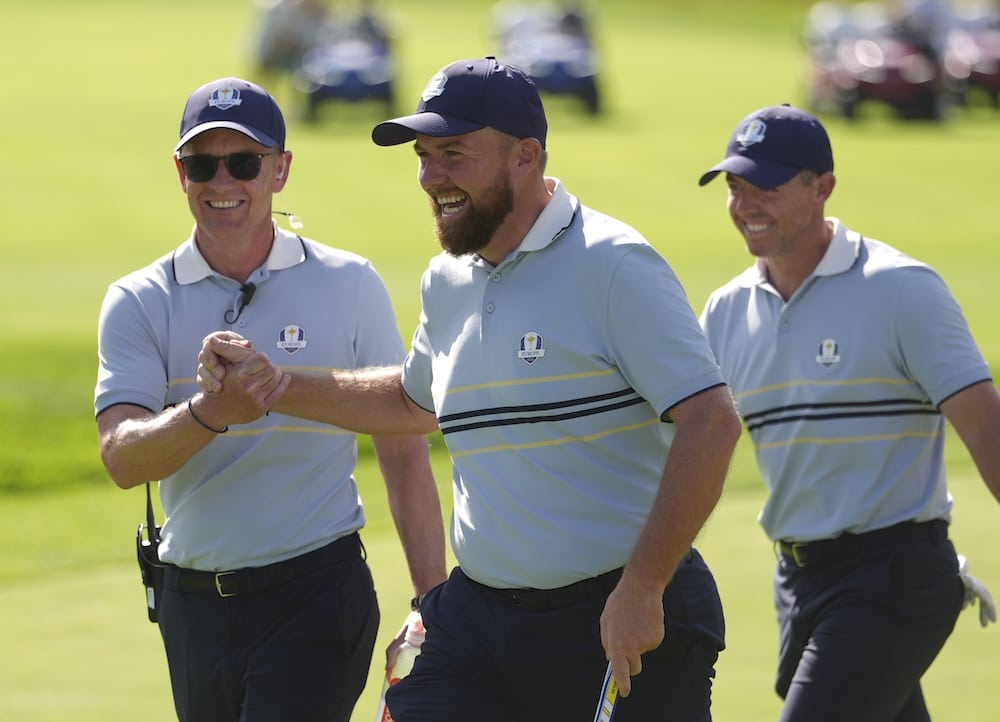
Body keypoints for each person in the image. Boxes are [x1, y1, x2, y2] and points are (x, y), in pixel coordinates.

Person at [197, 57, 742, 722]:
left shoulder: (612, 264)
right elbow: (409, 402)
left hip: (620, 613)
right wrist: (272, 383)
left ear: (527, 156)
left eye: (454, 153)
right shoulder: (449, 280)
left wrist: (643, 588)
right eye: (424, 157)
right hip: (479, 621)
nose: (432, 178)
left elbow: (711, 421)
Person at [94, 76, 447, 722]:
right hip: (191, 606)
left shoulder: (349, 283)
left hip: (316, 593)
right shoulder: (140, 299)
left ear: (281, 170)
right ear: (181, 172)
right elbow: (122, 459)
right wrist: (210, 415)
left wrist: (434, 603)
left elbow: (401, 445)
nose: (222, 182)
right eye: (203, 164)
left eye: (245, 163)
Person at [697, 103, 999, 722]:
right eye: (735, 187)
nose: (746, 204)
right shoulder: (726, 313)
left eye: (767, 187)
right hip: (800, 582)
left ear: (822, 188)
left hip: (893, 575)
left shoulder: (901, 289)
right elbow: (684, 446)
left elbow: (987, 429)